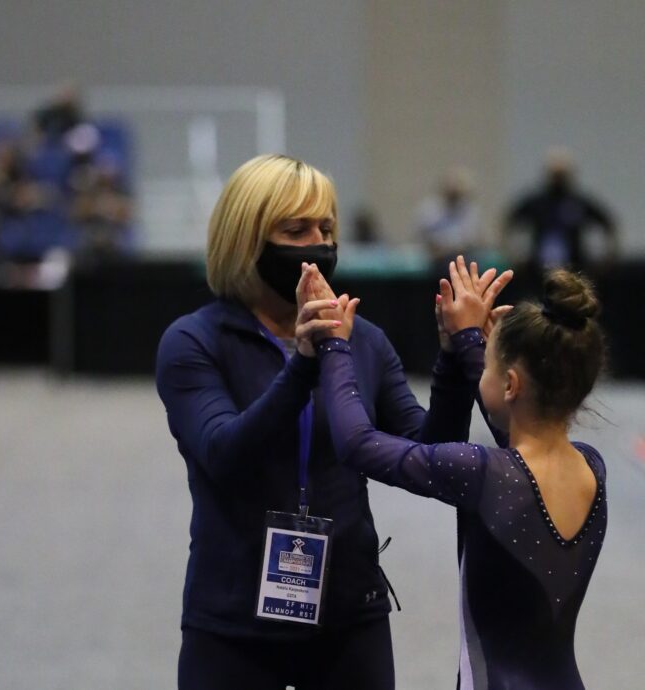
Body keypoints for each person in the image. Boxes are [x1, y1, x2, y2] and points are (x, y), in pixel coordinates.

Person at [155, 154, 512, 689]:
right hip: (233, 616)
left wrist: (452, 358)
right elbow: (224, 455)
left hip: (348, 610)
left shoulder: (361, 338)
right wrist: (303, 364)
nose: (319, 244)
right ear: (245, 240)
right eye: (296, 230)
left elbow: (429, 456)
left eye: (327, 228)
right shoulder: (194, 341)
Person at [311, 260, 607, 689]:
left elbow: (356, 443)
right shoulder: (592, 468)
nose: (479, 370)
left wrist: (336, 346)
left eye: (485, 365)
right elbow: (516, 427)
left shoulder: (478, 470)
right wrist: (468, 340)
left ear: (510, 384)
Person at [505, 148, 617, 294]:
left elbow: (607, 224)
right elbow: (510, 223)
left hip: (574, 269)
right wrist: (512, 255)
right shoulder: (537, 202)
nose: (558, 179)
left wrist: (607, 257)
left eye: (562, 175)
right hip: (538, 270)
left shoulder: (578, 202)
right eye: (555, 175)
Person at [416, 167, 480, 271]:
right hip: (434, 261)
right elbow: (422, 236)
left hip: (462, 258)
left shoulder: (468, 210)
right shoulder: (429, 209)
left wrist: (450, 247)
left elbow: (470, 239)